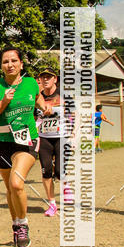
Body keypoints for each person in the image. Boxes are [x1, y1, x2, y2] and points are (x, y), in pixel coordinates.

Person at [0, 46, 53, 247]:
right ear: (1, 66)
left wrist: (44, 106)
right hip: (3, 143)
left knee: (16, 184)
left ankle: (22, 224)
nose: (10, 64)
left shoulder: (31, 83)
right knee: (10, 189)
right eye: (5, 61)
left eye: (14, 60)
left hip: (26, 141)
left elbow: (38, 98)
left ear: (21, 64)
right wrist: (3, 102)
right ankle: (16, 225)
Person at [35, 63, 75, 217]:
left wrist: (74, 134)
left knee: (59, 170)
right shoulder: (38, 97)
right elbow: (34, 117)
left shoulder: (63, 95)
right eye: (42, 77)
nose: (45, 80)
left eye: (48, 77)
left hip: (62, 137)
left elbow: (74, 114)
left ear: (55, 79)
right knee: (46, 171)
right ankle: (52, 204)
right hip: (44, 138)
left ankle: (67, 186)